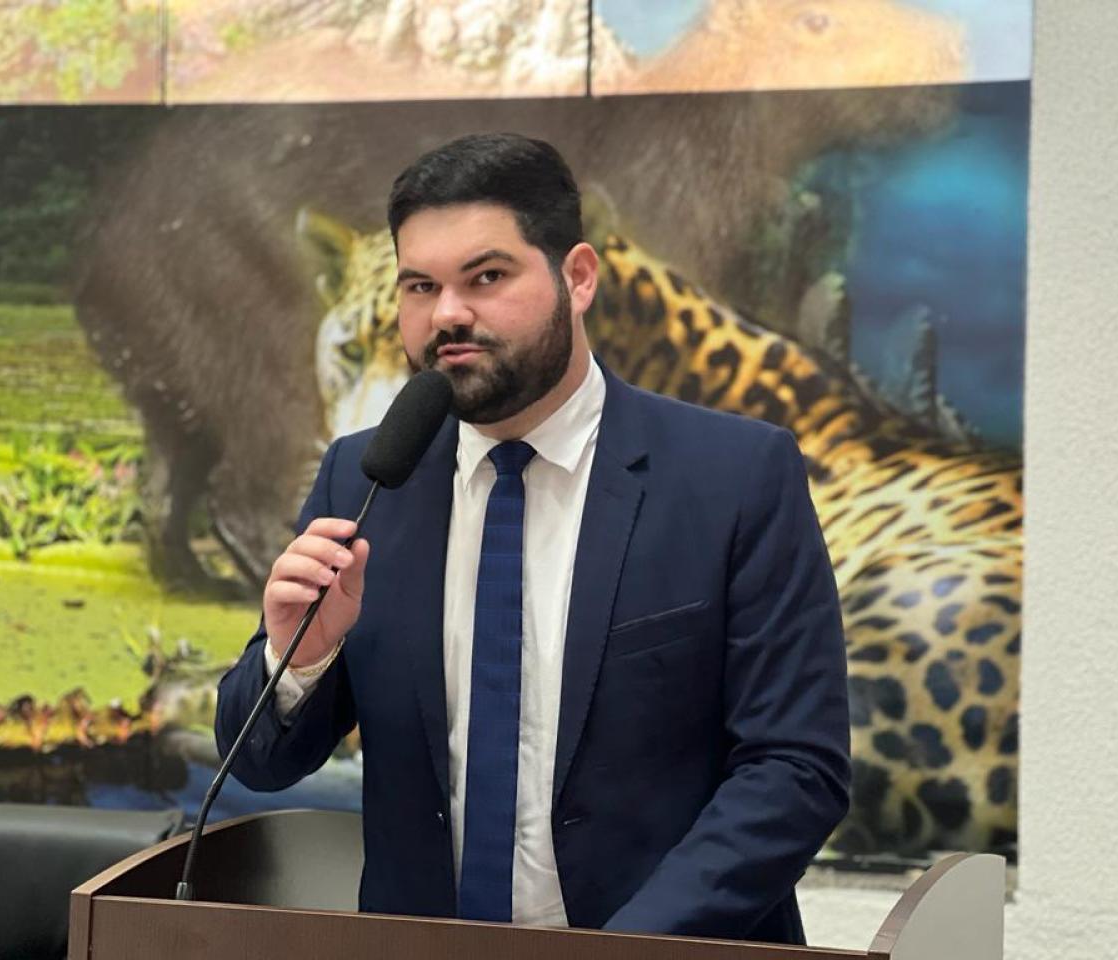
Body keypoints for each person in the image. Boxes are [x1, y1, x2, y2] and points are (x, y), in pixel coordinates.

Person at [215, 132, 850, 944]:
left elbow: (795, 770)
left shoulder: (735, 476)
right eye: (420, 286)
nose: (448, 313)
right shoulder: (366, 480)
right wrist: (296, 658)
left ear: (577, 278)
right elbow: (260, 763)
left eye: (486, 277)